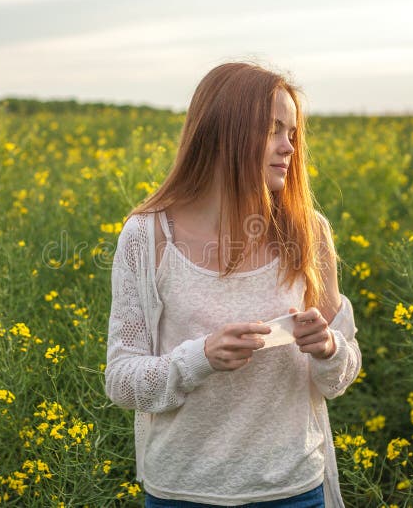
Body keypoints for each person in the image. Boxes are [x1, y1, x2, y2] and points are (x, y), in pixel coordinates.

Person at [105, 62, 361, 507]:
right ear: (225, 133)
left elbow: (339, 377)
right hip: (182, 492)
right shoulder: (147, 237)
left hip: (292, 489)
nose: (289, 148)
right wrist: (199, 358)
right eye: (273, 131)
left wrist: (328, 347)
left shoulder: (308, 231)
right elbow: (122, 380)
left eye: (293, 133)